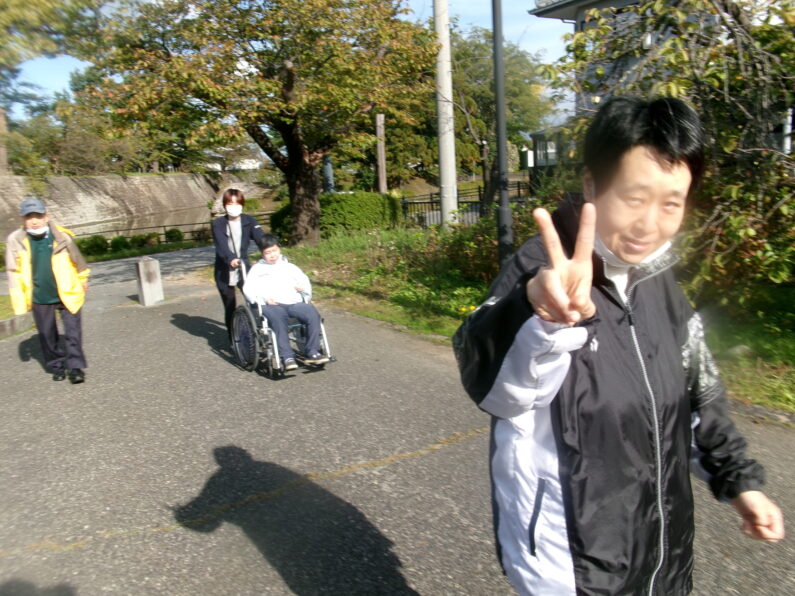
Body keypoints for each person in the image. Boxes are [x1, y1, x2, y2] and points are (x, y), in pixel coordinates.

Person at [453, 97, 784, 595]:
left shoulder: (658, 279)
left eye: (671, 203)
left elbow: (699, 393)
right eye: (634, 197)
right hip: (568, 554)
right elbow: (496, 388)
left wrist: (739, 482)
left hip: (661, 545)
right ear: (592, 185)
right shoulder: (540, 268)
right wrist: (539, 312)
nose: (649, 224)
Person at [6, 197, 90, 384]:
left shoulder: (61, 236)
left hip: (67, 291)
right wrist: (19, 300)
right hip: (39, 296)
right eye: (29, 217)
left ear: (46, 216)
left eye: (38, 216)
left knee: (73, 332)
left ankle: (75, 367)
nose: (34, 221)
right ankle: (57, 366)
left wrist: (83, 278)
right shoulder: (15, 240)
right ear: (23, 219)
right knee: (46, 334)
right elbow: (13, 272)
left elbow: (78, 260)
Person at [242, 234, 329, 370]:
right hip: (271, 304)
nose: (272, 255)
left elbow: (304, 281)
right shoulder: (257, 269)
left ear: (279, 249)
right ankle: (287, 357)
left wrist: (303, 288)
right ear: (262, 254)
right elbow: (249, 289)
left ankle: (312, 352)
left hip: (293, 302)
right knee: (278, 319)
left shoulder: (290, 267)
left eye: (274, 250)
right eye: (268, 252)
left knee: (312, 313)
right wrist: (264, 299)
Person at [212, 188, 264, 340]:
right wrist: (231, 258)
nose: (233, 207)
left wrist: (272, 249)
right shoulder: (218, 224)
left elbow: (261, 238)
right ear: (224, 205)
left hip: (244, 267)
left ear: (242, 204)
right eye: (230, 203)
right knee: (230, 304)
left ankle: (260, 330)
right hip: (224, 269)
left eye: (237, 203)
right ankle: (234, 339)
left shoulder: (249, 221)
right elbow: (221, 246)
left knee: (254, 299)